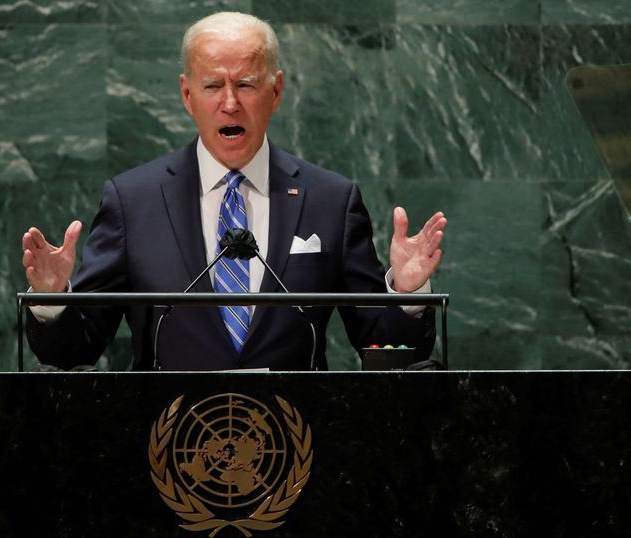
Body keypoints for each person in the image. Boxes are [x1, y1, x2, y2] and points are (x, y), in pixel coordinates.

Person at [22, 12, 447, 371]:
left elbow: (387, 351)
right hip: (170, 447)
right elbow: (76, 351)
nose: (230, 103)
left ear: (275, 91)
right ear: (187, 95)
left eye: (245, 84)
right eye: (212, 86)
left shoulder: (330, 200)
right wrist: (52, 300)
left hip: (295, 447)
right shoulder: (134, 201)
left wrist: (408, 297)